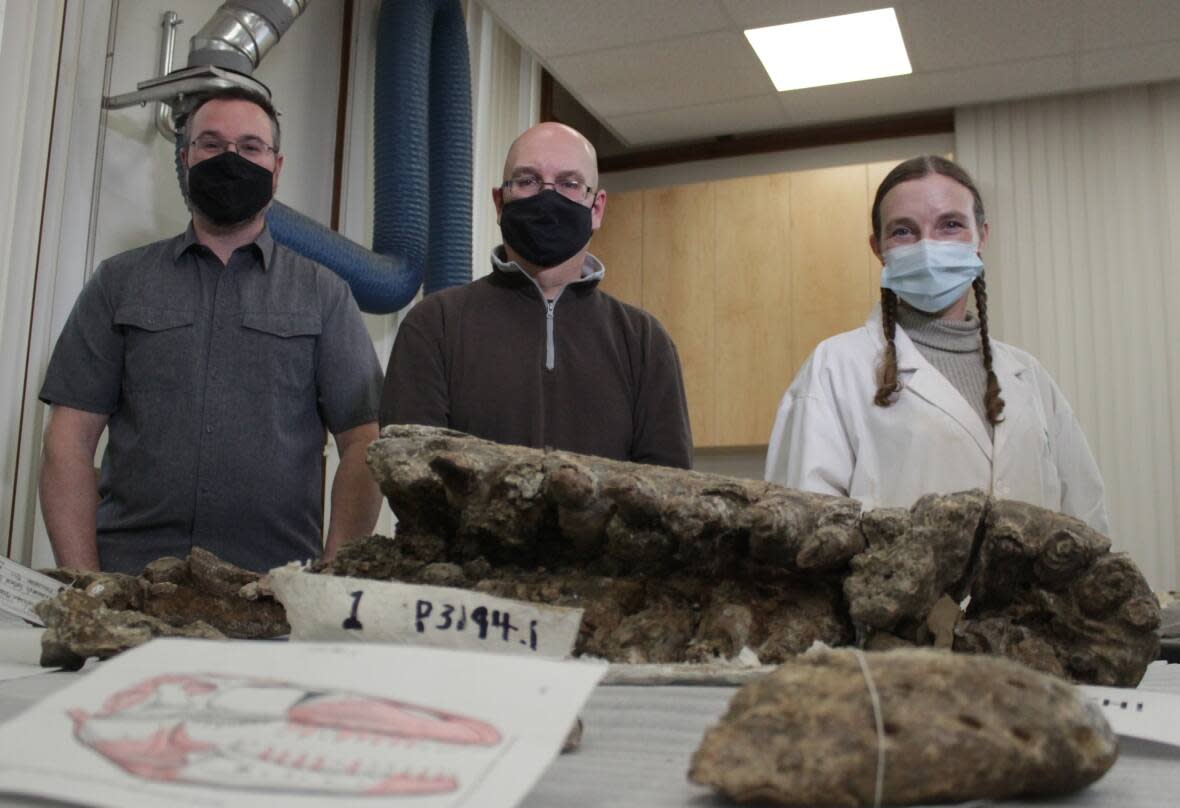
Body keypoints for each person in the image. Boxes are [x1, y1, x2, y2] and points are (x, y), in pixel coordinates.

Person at [38, 87, 384, 574]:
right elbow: (67, 441)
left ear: (276, 168)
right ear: (185, 160)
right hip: (131, 584)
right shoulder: (119, 283)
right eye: (211, 144)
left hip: (271, 593)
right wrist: (85, 583)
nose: (231, 159)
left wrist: (332, 579)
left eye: (250, 147)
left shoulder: (324, 294)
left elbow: (364, 443)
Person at [764, 155, 1108, 533]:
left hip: (1028, 594)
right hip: (894, 594)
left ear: (982, 236)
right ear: (878, 247)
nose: (927, 247)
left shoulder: (1029, 378)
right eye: (903, 231)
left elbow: (1085, 519)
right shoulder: (834, 369)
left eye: (950, 225)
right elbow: (804, 535)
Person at [380, 122, 692, 469]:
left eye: (569, 184)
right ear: (500, 201)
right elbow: (411, 474)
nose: (548, 198)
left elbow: (668, 489)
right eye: (528, 181)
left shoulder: (644, 343)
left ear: (597, 208)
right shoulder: (434, 326)